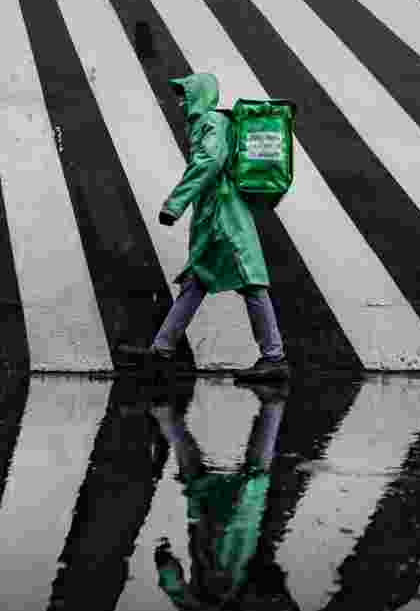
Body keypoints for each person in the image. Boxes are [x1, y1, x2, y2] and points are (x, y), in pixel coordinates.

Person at [120, 73, 289, 382]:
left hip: (225, 216)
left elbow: (210, 161)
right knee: (197, 279)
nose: (180, 101)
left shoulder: (209, 121)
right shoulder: (209, 122)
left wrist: (175, 203)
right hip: (215, 215)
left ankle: (274, 359)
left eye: (185, 94)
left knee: (251, 280)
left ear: (199, 95)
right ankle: (162, 351)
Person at [150, 382, 299, 610]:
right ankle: (166, 417)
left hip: (241, 525)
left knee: (255, 473)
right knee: (193, 469)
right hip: (208, 526)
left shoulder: (235, 601)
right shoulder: (197, 607)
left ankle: (272, 408)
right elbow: (172, 582)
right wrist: (163, 559)